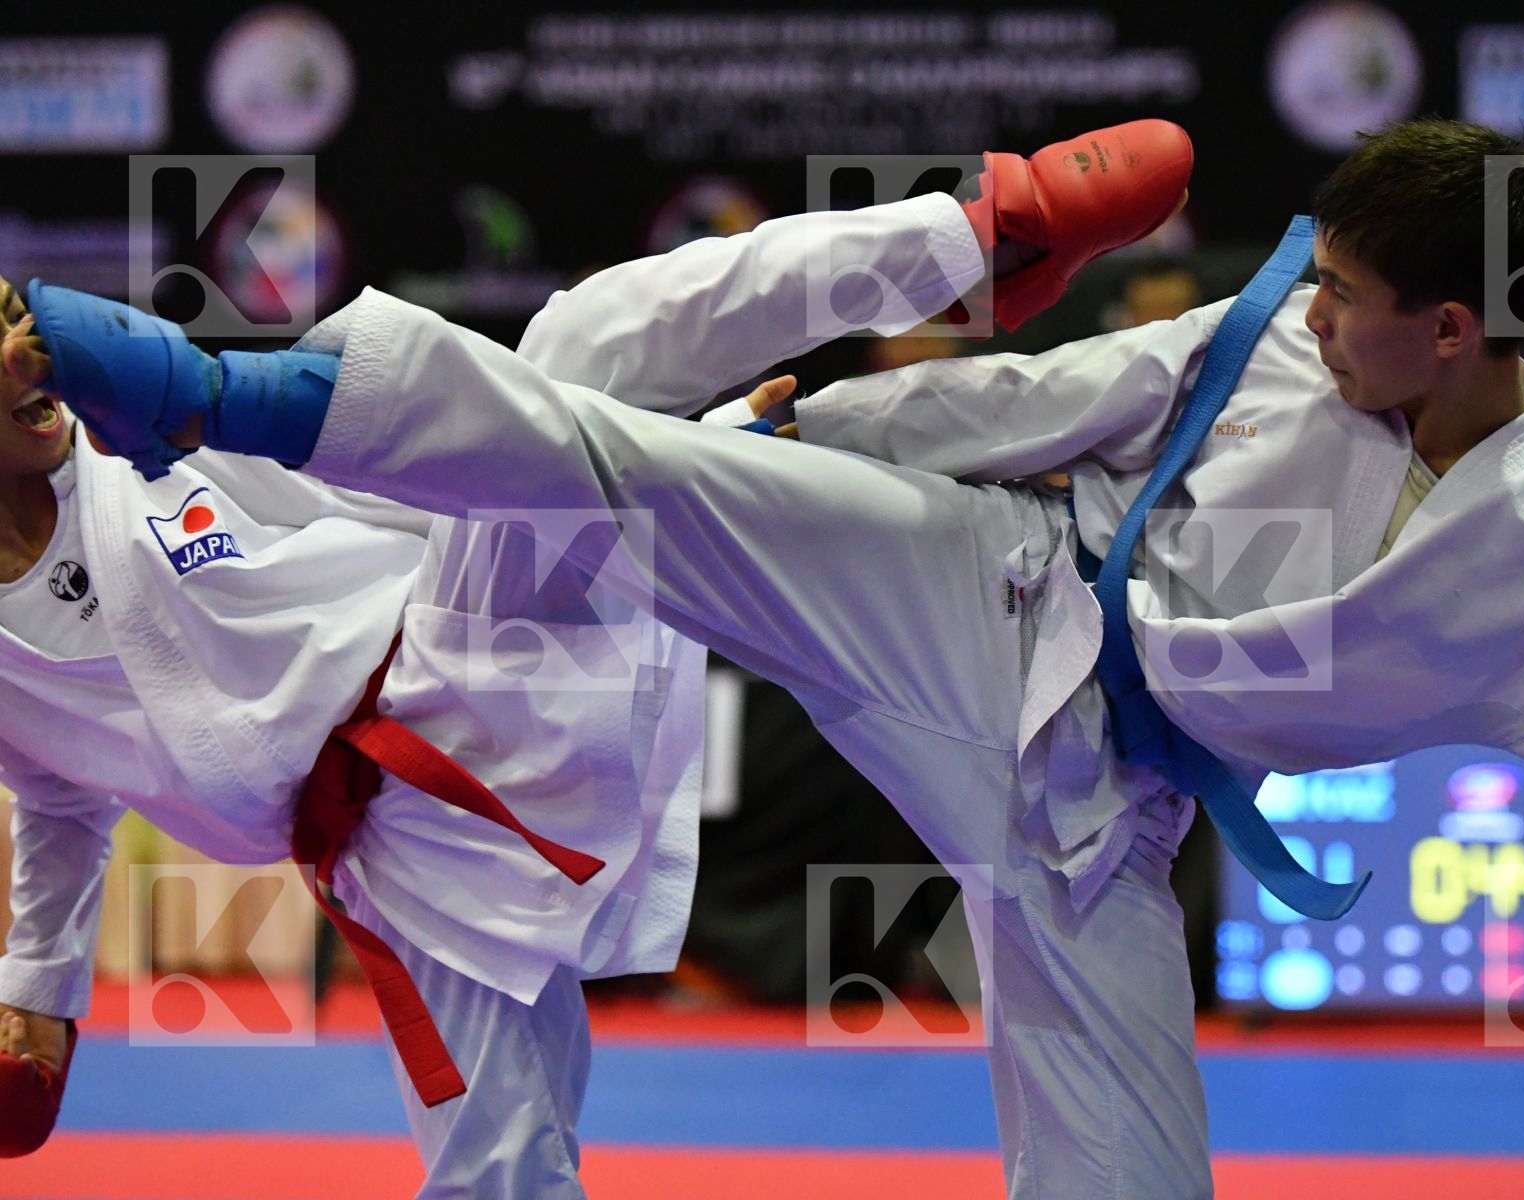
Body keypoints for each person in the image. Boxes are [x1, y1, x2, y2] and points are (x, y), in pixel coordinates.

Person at [26, 119, 1524, 1197]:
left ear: (1457, 330)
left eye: (1340, 294)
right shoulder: (1271, 344)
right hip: (993, 595)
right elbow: (1042, 400)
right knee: (631, 448)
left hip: (1101, 811)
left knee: (1129, 1169)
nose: (1304, 307)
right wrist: (841, 433)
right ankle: (218, 391)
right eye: (1313, 278)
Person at [0, 118, 1195, 1194]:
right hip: (391, 856)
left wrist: (686, 456)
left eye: (14, 318)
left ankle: (988, 227)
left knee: (581, 338)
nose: (23, 357)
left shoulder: (136, 456)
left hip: (456, 643)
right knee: (494, 1171)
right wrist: (36, 1002)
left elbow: (419, 467)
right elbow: (58, 798)